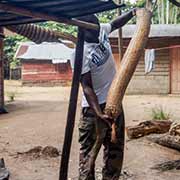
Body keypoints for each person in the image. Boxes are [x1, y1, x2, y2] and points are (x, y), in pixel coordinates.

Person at [73, 9, 136, 180]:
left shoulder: (100, 30)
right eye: (93, 30)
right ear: (83, 29)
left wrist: (133, 12)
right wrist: (99, 113)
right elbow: (86, 87)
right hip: (93, 111)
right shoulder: (79, 53)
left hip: (114, 102)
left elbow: (115, 23)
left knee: (115, 148)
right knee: (88, 155)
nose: (97, 32)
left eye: (97, 27)